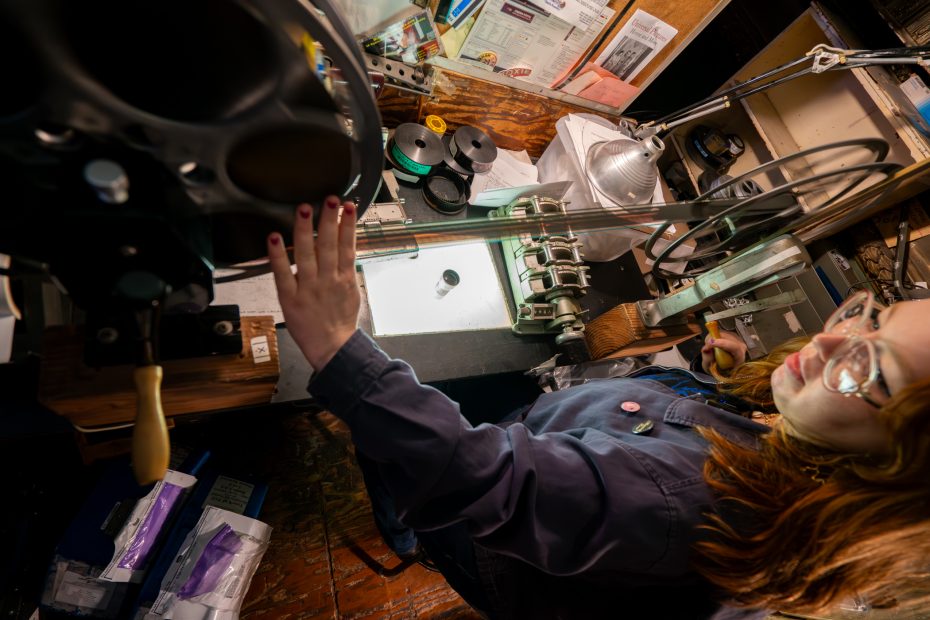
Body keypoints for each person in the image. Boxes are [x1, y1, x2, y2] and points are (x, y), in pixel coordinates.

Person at [267, 198, 930, 618]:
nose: (828, 339)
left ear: (894, 467)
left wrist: (336, 348)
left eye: (870, 364)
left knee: (391, 445)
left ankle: (411, 534)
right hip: (549, 450)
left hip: (491, 528)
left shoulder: (689, 500)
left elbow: (485, 480)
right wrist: (713, 380)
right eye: (870, 318)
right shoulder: (792, 445)